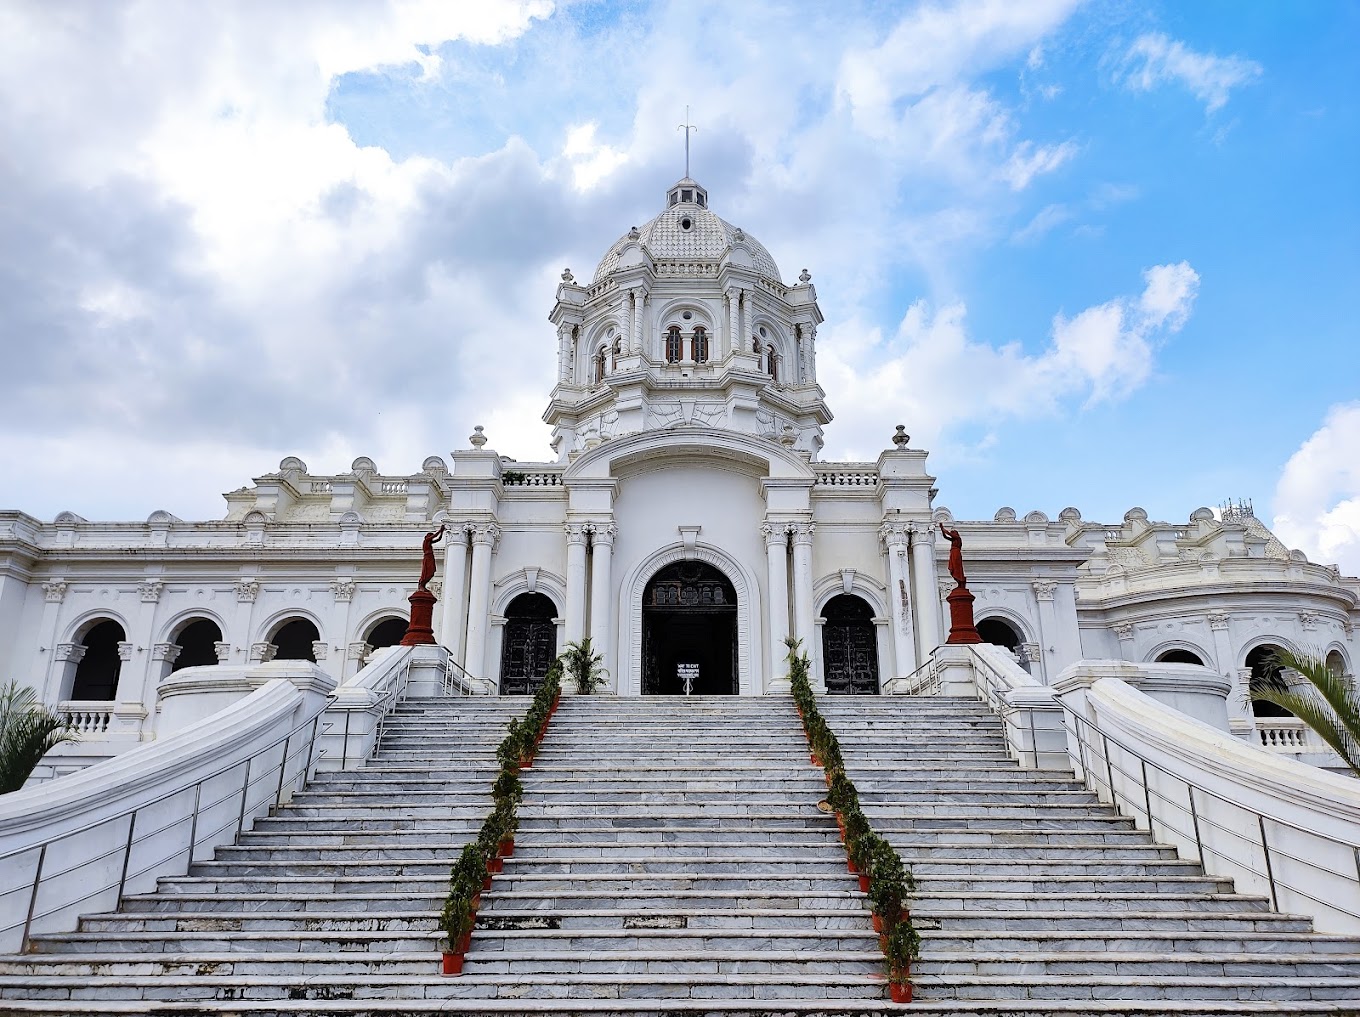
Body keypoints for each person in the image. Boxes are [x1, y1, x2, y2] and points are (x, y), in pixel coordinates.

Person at [418, 524, 447, 591]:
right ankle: (421, 585)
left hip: (431, 557)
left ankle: (423, 585)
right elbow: (434, 536)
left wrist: (442, 532)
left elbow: (438, 539)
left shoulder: (429, 542)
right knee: (426, 572)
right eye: (430, 536)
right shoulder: (426, 541)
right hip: (427, 557)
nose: (431, 537)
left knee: (431, 572)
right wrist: (440, 530)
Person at [939, 522, 966, 589]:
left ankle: (960, 582)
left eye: (953, 533)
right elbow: (945, 536)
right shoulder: (953, 539)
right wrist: (942, 530)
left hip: (956, 554)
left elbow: (949, 534)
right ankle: (959, 582)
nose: (952, 534)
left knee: (957, 568)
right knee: (954, 568)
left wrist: (943, 528)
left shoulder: (958, 538)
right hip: (953, 553)